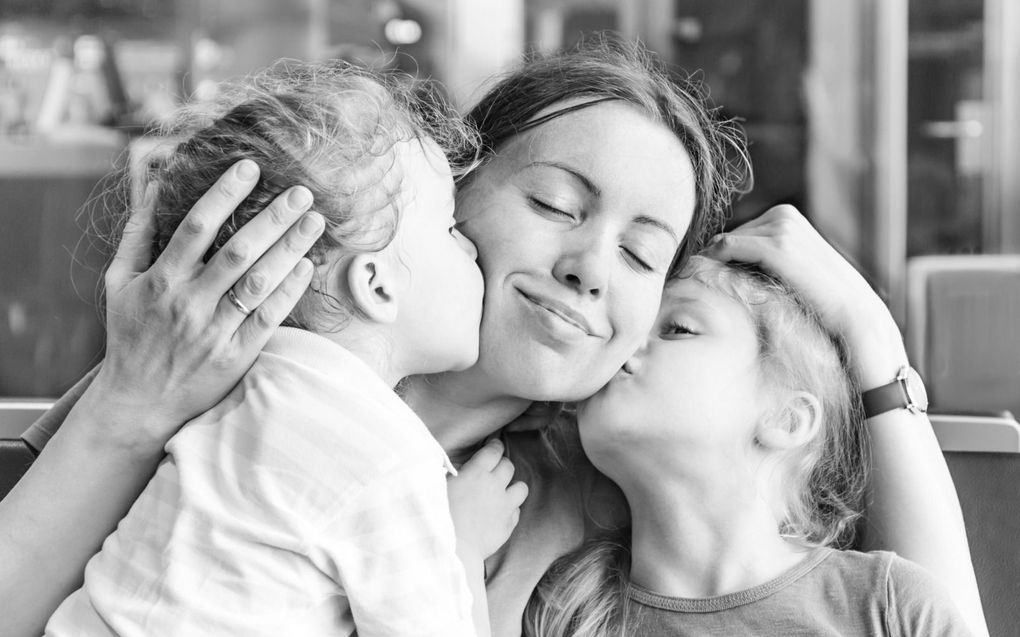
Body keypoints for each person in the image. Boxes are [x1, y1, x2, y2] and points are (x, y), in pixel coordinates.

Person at [1, 37, 988, 637]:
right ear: (445, 197)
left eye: (646, 259)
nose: (590, 265)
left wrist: (870, 342)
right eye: (557, 202)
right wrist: (130, 405)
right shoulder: (223, 357)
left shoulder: (592, 491)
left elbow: (914, 616)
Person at [42, 60, 525, 637]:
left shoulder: (225, 388)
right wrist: (459, 543)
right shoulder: (389, 455)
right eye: (450, 228)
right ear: (376, 285)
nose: (472, 252)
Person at [522, 255, 972, 636]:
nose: (623, 344)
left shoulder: (891, 604)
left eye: (677, 328)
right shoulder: (557, 613)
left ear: (786, 419)